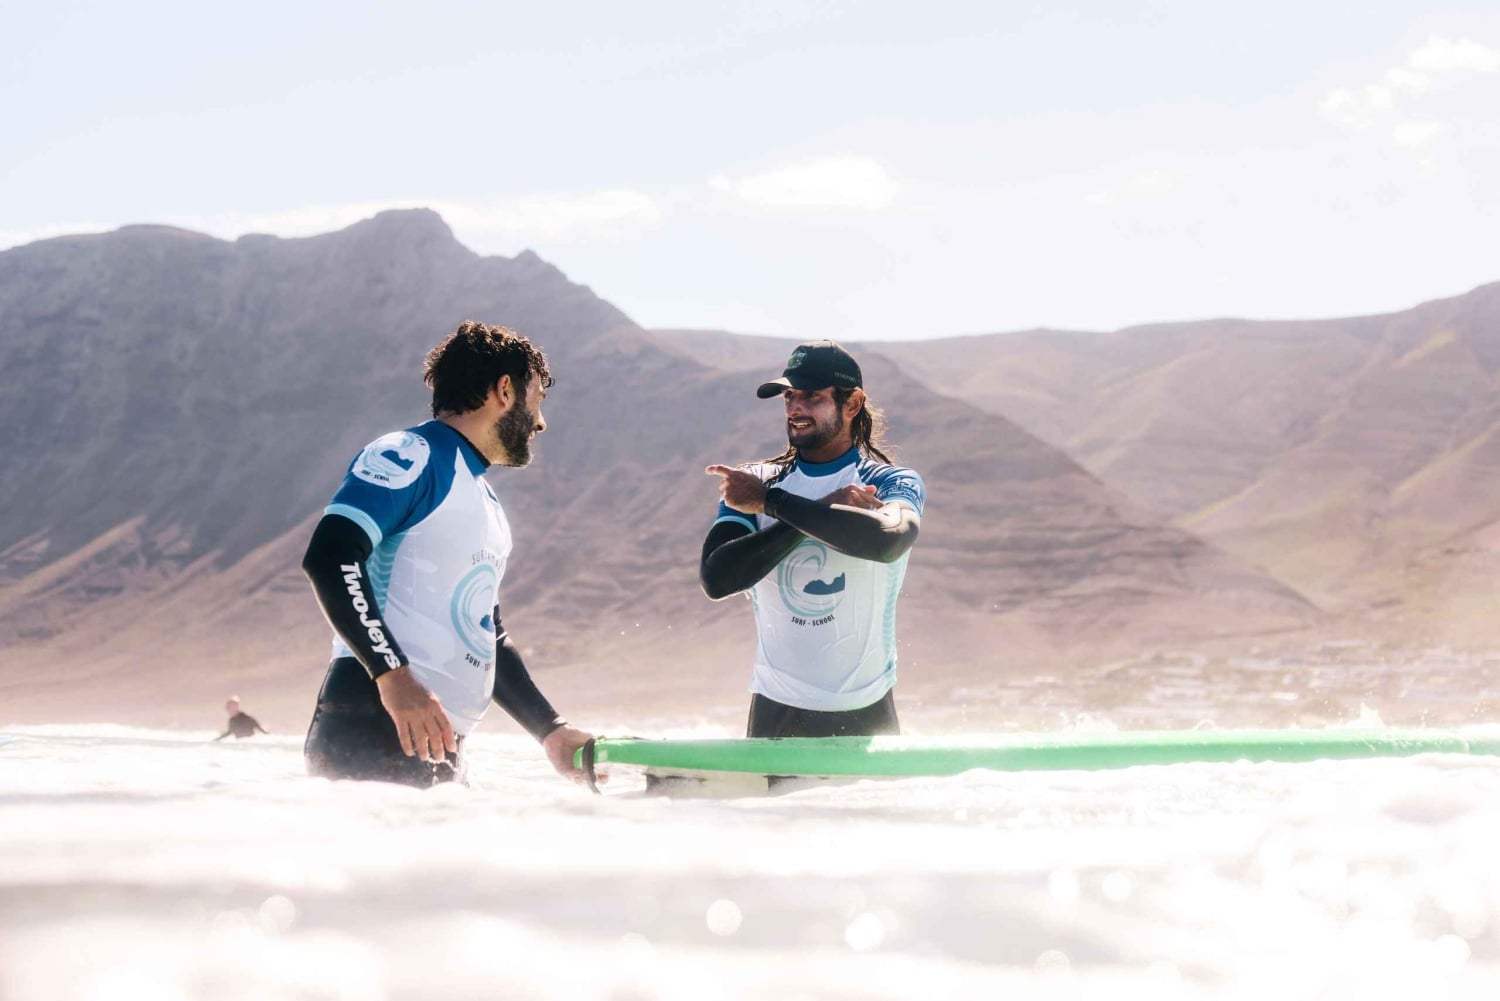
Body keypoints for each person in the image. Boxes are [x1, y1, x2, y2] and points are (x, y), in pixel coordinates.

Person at [300, 320, 593, 787]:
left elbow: (487, 636)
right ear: (504, 390)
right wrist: (392, 675)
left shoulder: (483, 500)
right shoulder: (413, 454)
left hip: (432, 737)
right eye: (536, 400)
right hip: (377, 720)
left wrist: (550, 729)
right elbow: (332, 555)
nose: (540, 422)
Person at [700, 340, 925, 738]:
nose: (795, 408)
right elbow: (718, 579)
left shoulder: (888, 482)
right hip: (776, 713)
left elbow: (890, 541)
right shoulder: (757, 481)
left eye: (812, 397)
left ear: (852, 404)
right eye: (789, 397)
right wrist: (790, 505)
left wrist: (771, 504)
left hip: (868, 713)